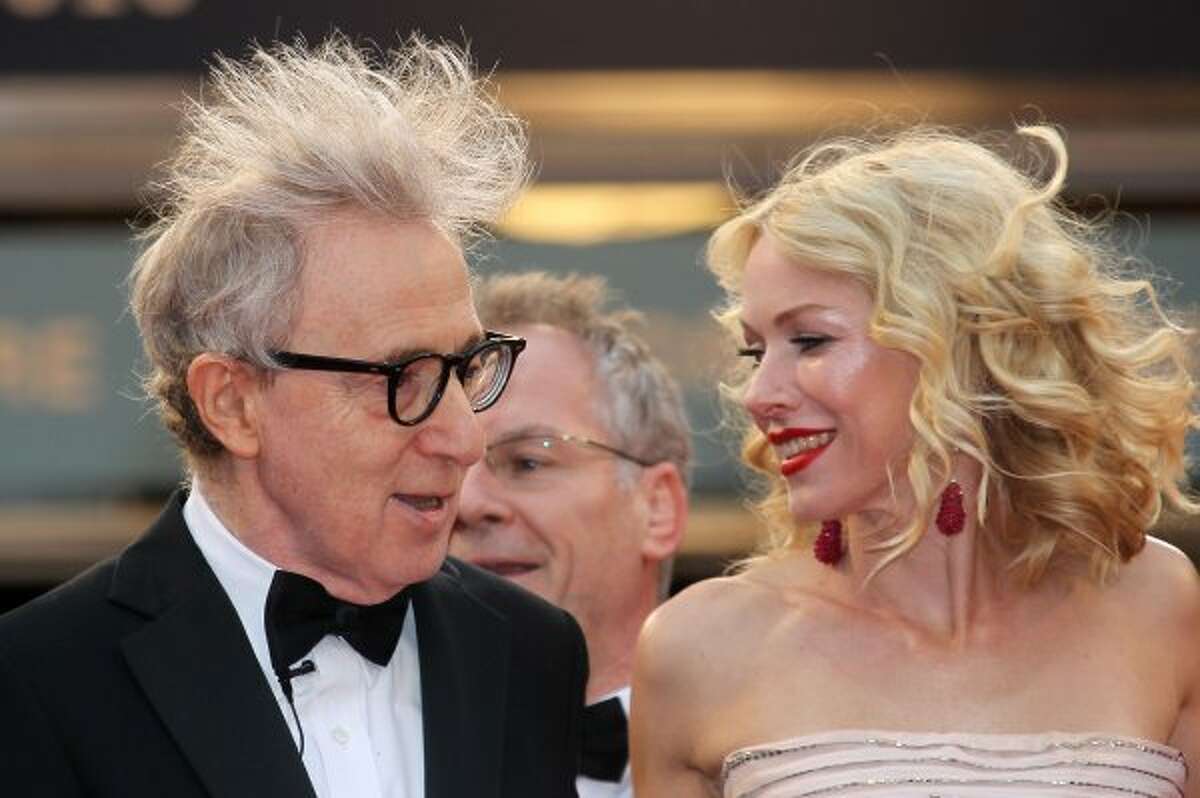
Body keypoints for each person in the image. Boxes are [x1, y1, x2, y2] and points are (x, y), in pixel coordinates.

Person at [0, 36, 587, 797]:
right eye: (404, 378)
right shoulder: (39, 681)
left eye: (465, 369)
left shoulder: (529, 652)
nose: (464, 437)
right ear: (233, 404)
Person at [631, 125, 1200, 797]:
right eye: (756, 351)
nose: (759, 395)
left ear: (960, 342)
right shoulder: (697, 648)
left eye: (810, 340)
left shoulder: (1158, 603)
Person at [450, 271, 691, 797]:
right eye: (443, 468)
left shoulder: (771, 755)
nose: (467, 503)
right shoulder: (347, 741)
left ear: (657, 508)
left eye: (528, 462)